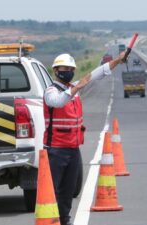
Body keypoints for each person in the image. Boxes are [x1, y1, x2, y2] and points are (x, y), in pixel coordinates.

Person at [43, 51, 126, 225]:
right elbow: (57, 102)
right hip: (55, 151)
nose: (69, 71)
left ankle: (65, 221)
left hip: (73, 150)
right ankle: (51, 221)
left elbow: (97, 73)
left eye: (71, 68)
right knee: (53, 191)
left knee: (68, 191)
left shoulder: (74, 88)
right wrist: (76, 88)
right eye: (65, 68)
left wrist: (117, 60)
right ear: (56, 70)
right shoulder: (51, 90)